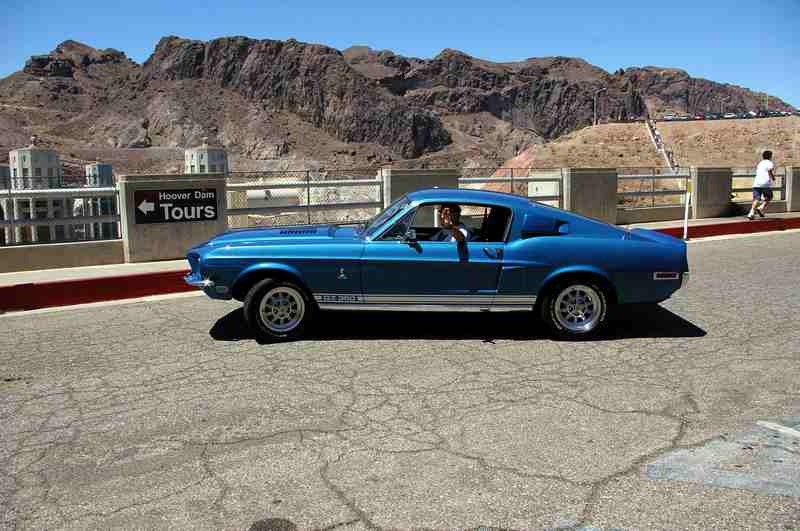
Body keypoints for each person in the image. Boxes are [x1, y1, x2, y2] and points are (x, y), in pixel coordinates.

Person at [748, 150, 775, 220]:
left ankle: (751, 213)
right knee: (769, 197)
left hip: (756, 183)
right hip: (765, 184)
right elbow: (769, 171)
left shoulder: (760, 163)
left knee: (756, 199)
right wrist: (773, 178)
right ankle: (760, 208)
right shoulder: (769, 163)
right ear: (770, 156)